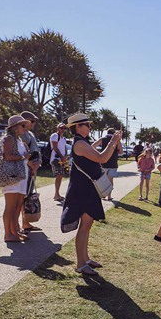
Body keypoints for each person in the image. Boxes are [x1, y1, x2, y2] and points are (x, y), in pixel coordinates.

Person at [61, 113, 123, 275]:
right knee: (85, 226)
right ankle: (81, 264)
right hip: (83, 190)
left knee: (87, 226)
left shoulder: (83, 142)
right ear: (78, 127)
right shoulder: (80, 144)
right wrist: (113, 142)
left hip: (87, 188)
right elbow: (102, 158)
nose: (90, 127)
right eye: (87, 125)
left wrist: (112, 143)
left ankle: (85, 259)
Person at [0, 115, 33, 243]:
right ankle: (8, 234)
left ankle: (14, 231)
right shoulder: (9, 139)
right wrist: (22, 157)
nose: (25, 128)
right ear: (14, 127)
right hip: (12, 176)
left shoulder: (20, 141)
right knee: (10, 206)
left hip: (21, 175)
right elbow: (8, 156)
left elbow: (24, 157)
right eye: (22, 125)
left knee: (18, 205)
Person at [19, 111, 41, 232]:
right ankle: (17, 226)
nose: (33, 123)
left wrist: (37, 164)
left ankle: (25, 222)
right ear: (25, 120)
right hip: (25, 169)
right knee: (21, 197)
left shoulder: (29, 134)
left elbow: (35, 150)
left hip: (31, 170)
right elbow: (21, 153)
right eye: (31, 121)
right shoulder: (21, 134)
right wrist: (31, 165)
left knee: (27, 196)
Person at [92, 128, 123, 201]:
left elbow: (93, 146)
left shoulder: (103, 139)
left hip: (103, 161)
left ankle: (103, 194)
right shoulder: (116, 140)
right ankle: (109, 196)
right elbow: (121, 152)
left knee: (102, 179)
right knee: (110, 180)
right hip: (113, 162)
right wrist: (115, 153)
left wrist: (99, 153)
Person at [50, 123, 69, 202]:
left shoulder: (64, 138)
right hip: (56, 159)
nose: (63, 130)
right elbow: (55, 148)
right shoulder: (55, 136)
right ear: (57, 128)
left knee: (60, 176)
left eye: (64, 128)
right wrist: (62, 156)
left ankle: (57, 194)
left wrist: (65, 156)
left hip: (62, 160)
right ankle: (56, 195)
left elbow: (64, 148)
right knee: (58, 175)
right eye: (61, 128)